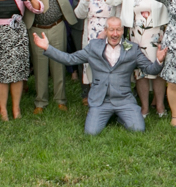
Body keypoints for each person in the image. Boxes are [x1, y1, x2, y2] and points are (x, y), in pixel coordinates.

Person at [32, 18, 163, 133]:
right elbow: (70, 59)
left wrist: (159, 61)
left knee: (138, 129)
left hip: (124, 101)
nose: (115, 34)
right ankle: (109, 115)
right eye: (111, 30)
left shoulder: (132, 48)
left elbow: (150, 69)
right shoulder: (94, 46)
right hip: (100, 101)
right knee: (91, 132)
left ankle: (121, 116)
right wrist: (47, 48)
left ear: (123, 31)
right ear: (105, 30)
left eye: (118, 30)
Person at [20, 0, 74, 115]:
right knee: (39, 65)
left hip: (57, 25)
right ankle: (40, 101)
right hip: (36, 27)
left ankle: (60, 100)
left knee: (58, 63)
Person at [111, 0, 167, 117]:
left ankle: (160, 105)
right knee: (139, 73)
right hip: (136, 35)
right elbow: (111, 0)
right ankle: (144, 107)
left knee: (157, 71)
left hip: (156, 34)